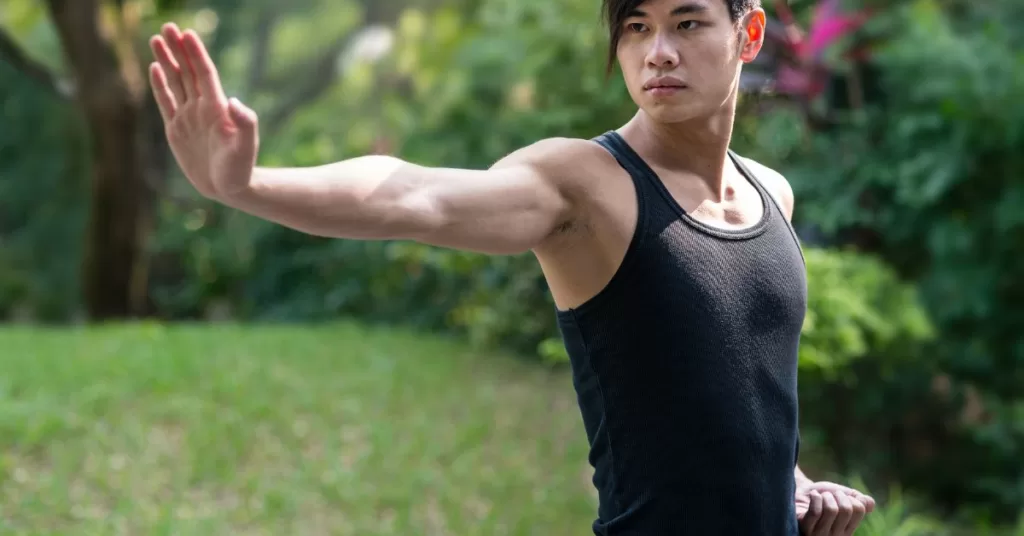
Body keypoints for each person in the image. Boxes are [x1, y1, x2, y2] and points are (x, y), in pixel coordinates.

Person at [148, 0, 876, 533]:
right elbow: (416, 192)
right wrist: (245, 185)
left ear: (748, 34)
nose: (657, 51)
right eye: (636, 27)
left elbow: (737, 396)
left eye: (686, 23)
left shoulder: (769, 193)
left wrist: (798, 484)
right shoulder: (587, 186)